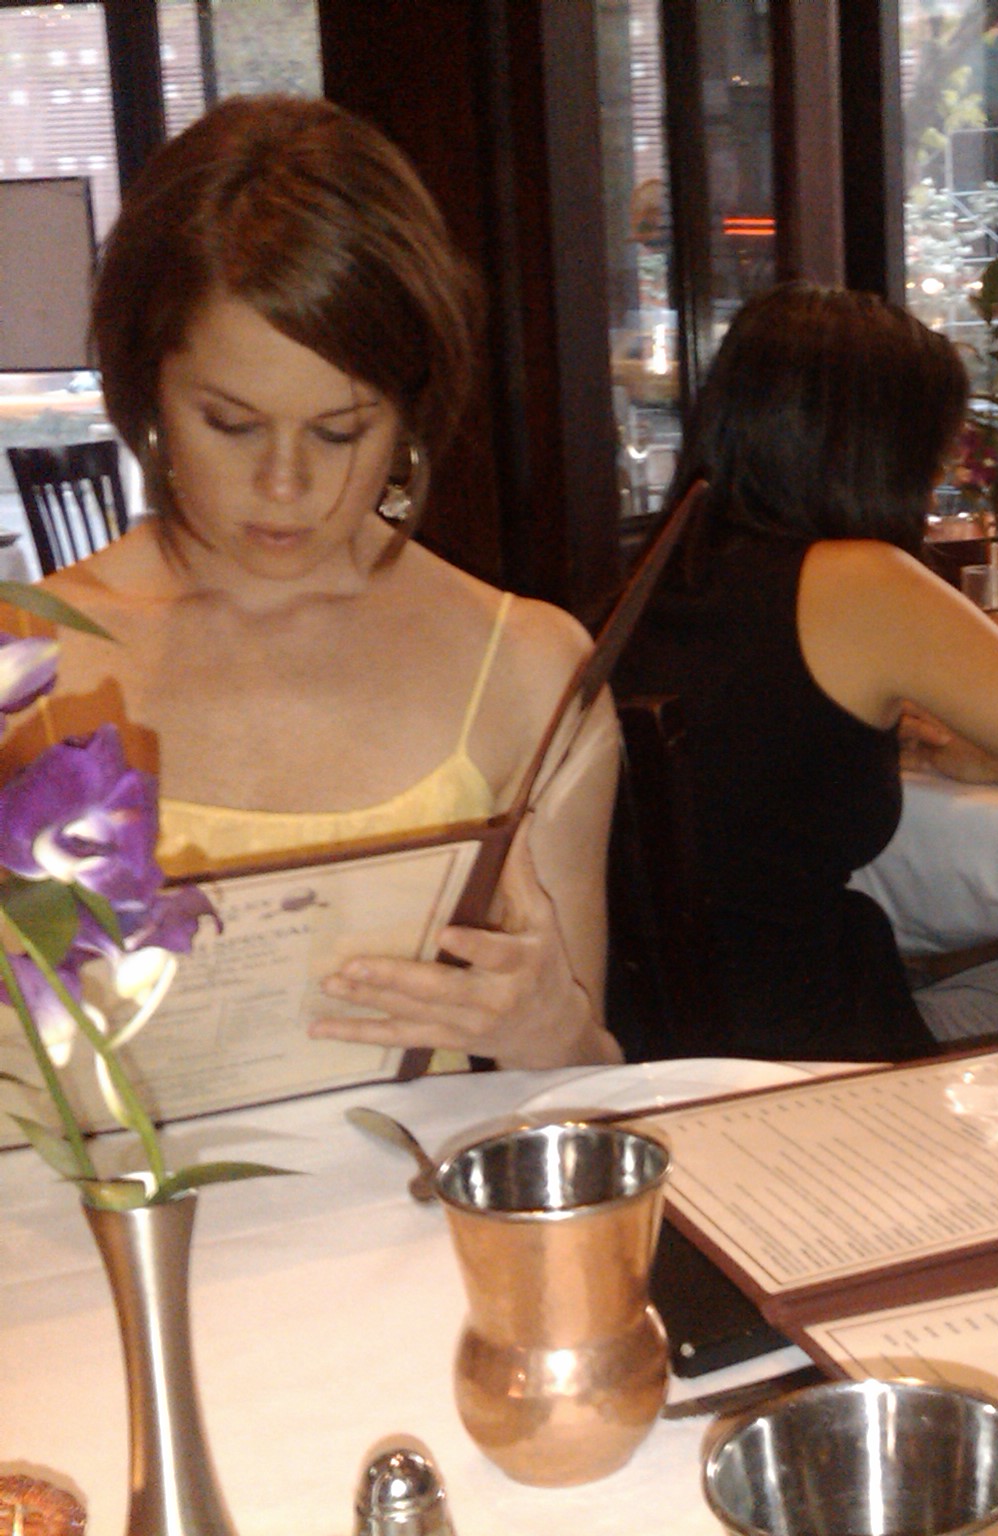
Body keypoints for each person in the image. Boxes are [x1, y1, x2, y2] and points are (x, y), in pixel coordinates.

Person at [7, 96, 623, 1069]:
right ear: (148, 383)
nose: (285, 485)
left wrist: (553, 1031)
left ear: (409, 412)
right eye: (232, 423)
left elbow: (581, 1101)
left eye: (340, 432)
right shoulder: (23, 662)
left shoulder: (526, 669)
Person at [617, 282, 998, 1063]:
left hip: (654, 1055)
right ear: (883, 449)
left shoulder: (640, 577)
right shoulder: (863, 582)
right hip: (829, 1069)